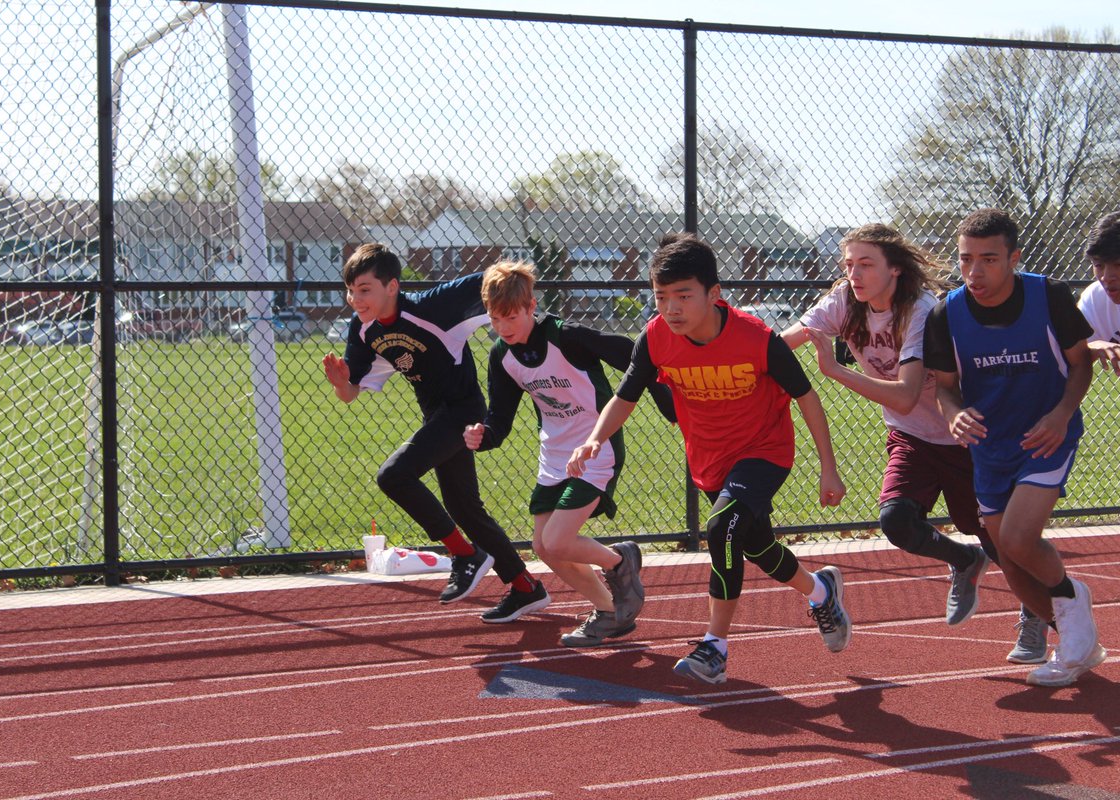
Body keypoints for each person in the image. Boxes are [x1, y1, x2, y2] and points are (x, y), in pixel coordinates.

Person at [567, 232, 852, 685]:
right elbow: (625, 396)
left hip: (764, 452)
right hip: (711, 460)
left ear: (713, 294)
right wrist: (594, 440)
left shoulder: (756, 338)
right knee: (754, 544)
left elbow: (807, 397)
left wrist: (828, 467)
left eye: (683, 296)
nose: (671, 308)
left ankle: (714, 647)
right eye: (661, 296)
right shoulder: (656, 337)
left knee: (721, 529)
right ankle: (822, 592)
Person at [782, 224, 1033, 657]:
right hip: (912, 435)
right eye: (848, 265)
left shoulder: (921, 310)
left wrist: (836, 371)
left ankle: (1034, 616)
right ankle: (963, 561)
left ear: (894, 269)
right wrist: (740, 353)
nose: (853, 274)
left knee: (994, 534)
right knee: (896, 520)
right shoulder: (846, 299)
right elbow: (787, 341)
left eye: (865, 264)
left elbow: (905, 393)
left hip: (967, 434)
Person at [923, 208, 1106, 687]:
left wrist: (1062, 414)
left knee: (1022, 538)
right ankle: (1074, 637)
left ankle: (1072, 604)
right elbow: (944, 387)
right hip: (990, 445)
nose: (974, 272)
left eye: (988, 259)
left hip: (1046, 434)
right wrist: (953, 413)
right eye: (966, 260)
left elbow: (1080, 364)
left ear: (1014, 258)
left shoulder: (1048, 295)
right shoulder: (947, 313)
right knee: (1008, 554)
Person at [322, 244, 549, 623]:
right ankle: (526, 587)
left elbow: (496, 277)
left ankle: (464, 554)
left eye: (364, 289)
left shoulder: (433, 307)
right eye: (350, 290)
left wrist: (522, 295)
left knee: (393, 475)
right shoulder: (362, 329)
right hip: (437, 418)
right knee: (464, 508)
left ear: (391, 286)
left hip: (463, 411)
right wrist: (341, 383)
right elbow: (350, 394)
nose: (354, 299)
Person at [464, 260, 675, 647]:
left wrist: (668, 404)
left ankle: (620, 562)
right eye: (495, 319)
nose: (503, 327)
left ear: (531, 306)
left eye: (511, 316)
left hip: (596, 447)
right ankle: (611, 611)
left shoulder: (567, 336)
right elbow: (501, 416)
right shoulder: (502, 355)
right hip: (554, 456)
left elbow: (635, 354)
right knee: (545, 547)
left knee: (559, 540)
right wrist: (485, 434)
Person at [1078, 211, 1120, 375]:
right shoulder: (1095, 299)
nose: (1106, 277)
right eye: (1099, 265)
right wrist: (1092, 346)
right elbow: (1068, 356)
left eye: (1118, 264)